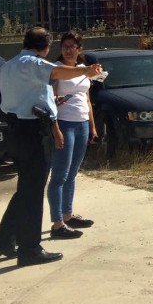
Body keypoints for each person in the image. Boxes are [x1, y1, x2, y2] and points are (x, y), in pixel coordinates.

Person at [0, 27, 103, 267]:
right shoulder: (33, 63)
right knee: (33, 193)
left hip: (16, 130)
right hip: (33, 132)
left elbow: (31, 94)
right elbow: (59, 71)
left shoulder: (8, 65)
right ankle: (29, 249)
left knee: (26, 189)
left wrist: (53, 106)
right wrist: (86, 70)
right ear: (47, 46)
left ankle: (3, 241)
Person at [46, 31, 98, 240]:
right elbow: (51, 100)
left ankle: (68, 215)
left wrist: (92, 126)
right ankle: (57, 223)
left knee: (72, 173)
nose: (68, 50)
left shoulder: (84, 70)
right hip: (64, 123)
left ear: (79, 49)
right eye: (64, 46)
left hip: (82, 123)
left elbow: (86, 99)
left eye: (72, 46)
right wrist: (55, 128)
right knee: (59, 175)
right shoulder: (57, 70)